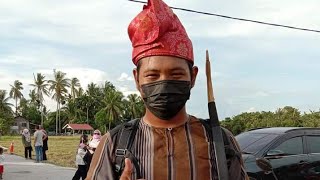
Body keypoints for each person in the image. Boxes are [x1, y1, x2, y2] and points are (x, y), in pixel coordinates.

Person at [86, 0, 248, 179]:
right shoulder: (113, 144)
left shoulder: (222, 142)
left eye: (176, 74)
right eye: (152, 76)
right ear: (136, 79)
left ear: (193, 77)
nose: (163, 84)